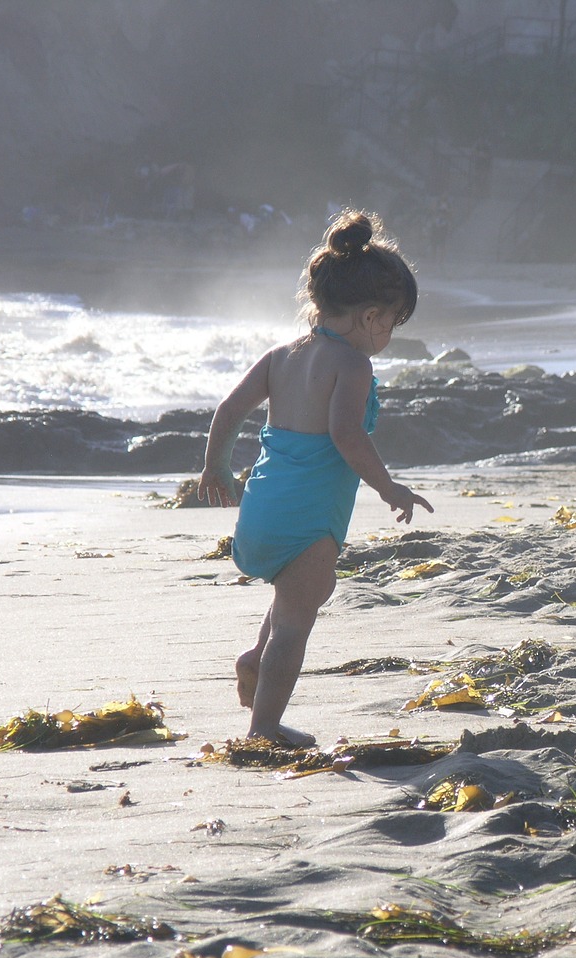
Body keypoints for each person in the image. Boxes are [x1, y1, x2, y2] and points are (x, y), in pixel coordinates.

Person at [197, 209, 434, 747]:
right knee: (296, 626)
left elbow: (230, 410)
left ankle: (255, 661)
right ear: (371, 316)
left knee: (291, 601)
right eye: (393, 323)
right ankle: (264, 726)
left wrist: (215, 466)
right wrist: (389, 487)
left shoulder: (281, 356)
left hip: (261, 509)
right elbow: (347, 435)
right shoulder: (352, 366)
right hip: (309, 517)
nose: (389, 336)